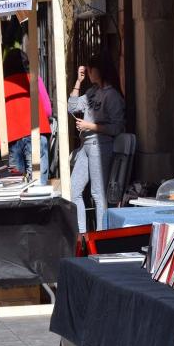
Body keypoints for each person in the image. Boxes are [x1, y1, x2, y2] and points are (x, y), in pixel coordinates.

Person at [68, 52, 126, 232]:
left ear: (99, 71)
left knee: (98, 194)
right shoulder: (92, 92)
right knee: (73, 191)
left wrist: (89, 126)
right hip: (85, 145)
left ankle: (101, 236)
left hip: (100, 145)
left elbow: (117, 128)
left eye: (91, 69)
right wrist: (78, 82)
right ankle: (82, 235)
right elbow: (72, 106)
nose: (89, 73)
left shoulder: (113, 96)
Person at [0, 49, 53, 185]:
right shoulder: (34, 80)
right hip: (36, 132)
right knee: (37, 184)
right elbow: (48, 110)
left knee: (15, 185)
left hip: (11, 138)